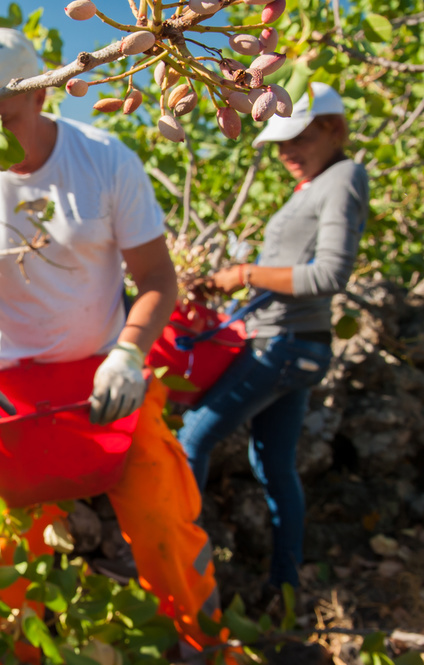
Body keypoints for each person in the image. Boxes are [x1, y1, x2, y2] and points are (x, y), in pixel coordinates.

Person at [0, 28, 220, 653]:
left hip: (109, 377)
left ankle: (208, 645)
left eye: (5, 117)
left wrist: (130, 354)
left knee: (165, 519)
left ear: (42, 98)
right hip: (11, 397)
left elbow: (158, 278)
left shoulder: (104, 161)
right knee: (8, 560)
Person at [177, 82, 369, 600]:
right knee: (273, 465)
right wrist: (225, 282)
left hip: (284, 345)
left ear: (335, 129)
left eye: (297, 138)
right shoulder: (315, 185)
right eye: (281, 143)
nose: (286, 152)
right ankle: (285, 587)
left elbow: (328, 274)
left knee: (192, 439)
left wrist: (244, 274)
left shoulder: (343, 177)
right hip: (294, 343)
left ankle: (189, 580)